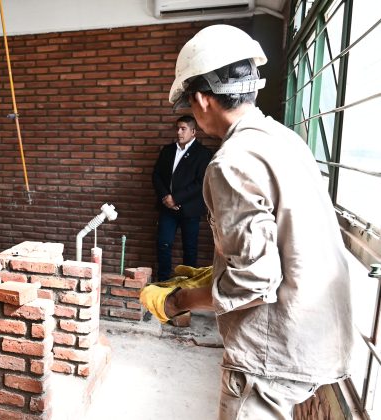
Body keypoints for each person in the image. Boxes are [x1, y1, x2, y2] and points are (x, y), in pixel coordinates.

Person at [140, 25, 353, 419]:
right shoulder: (283, 139)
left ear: (202, 99)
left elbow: (253, 282)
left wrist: (176, 300)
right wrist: (214, 272)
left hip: (273, 350)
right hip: (318, 331)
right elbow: (284, 239)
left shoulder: (231, 162)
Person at [152, 115, 212, 280]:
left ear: (193, 132)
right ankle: (163, 281)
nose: (179, 132)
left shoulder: (203, 154)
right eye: (177, 128)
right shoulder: (168, 150)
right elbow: (156, 175)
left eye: (183, 129)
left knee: (190, 248)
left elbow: (201, 183)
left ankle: (187, 284)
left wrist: (176, 198)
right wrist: (166, 197)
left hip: (190, 209)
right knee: (163, 244)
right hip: (167, 208)